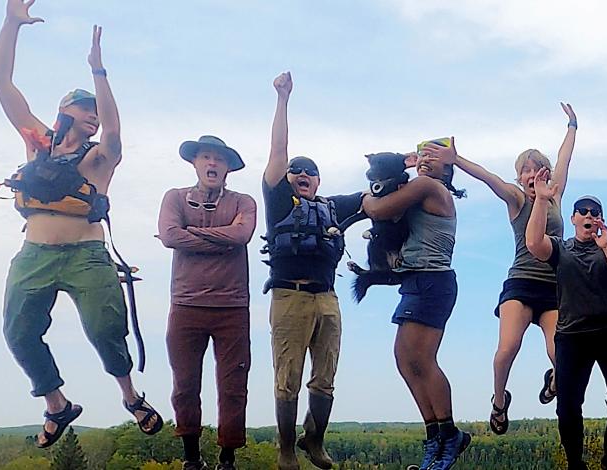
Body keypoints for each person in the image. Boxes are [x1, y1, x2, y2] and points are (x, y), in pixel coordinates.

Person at [0, 0, 161, 449]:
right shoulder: (37, 142)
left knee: (106, 329)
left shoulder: (100, 158)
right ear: (65, 110)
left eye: (96, 111)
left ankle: (130, 397)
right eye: (83, 107)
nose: (93, 114)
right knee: (19, 331)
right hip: (35, 253)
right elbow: (0, 81)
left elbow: (115, 132)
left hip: (87, 255)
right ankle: (56, 404)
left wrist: (98, 72)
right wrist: (11, 24)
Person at [429, 104, 577, 435]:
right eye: (525, 170)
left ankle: (554, 379)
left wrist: (572, 126)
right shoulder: (516, 199)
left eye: (537, 169)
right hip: (521, 284)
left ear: (546, 174)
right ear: (519, 176)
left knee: (562, 354)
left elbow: (565, 159)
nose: (531, 175)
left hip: (554, 288)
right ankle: (499, 401)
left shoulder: (554, 197)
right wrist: (458, 159)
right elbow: (488, 178)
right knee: (506, 350)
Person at [262, 72, 364, 470]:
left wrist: (411, 166)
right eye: (296, 172)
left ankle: (314, 440)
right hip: (289, 296)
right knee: (287, 377)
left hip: (328, 298)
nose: (302, 175)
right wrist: (283, 99)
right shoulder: (279, 204)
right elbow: (278, 150)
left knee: (325, 376)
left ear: (319, 181)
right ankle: (286, 448)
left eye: (309, 172)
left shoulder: (333, 208)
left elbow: (376, 196)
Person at [364, 142, 470, 470]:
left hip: (432, 282)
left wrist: (365, 199)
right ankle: (435, 436)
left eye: (433, 158)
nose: (425, 161)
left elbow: (378, 210)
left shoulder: (429, 187)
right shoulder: (417, 190)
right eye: (422, 156)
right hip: (417, 282)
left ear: (446, 169)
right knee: (405, 360)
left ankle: (450, 435)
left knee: (422, 359)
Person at [526, 169, 607, 470]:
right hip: (573, 336)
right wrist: (540, 199)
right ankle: (576, 463)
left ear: (601, 218)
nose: (590, 215)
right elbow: (534, 243)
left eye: (595, 212)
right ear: (574, 218)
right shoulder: (561, 248)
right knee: (568, 407)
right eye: (583, 211)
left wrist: (606, 248)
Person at [157, 135, 256, 470]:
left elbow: (242, 236)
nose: (212, 164)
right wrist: (222, 238)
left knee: (233, 385)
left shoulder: (244, 201)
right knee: (185, 383)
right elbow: (170, 235)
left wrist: (193, 236)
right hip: (186, 304)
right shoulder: (175, 197)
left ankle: (227, 458)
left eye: (219, 159)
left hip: (232, 305)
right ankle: (191, 457)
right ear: (195, 162)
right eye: (206, 157)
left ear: (228, 167)